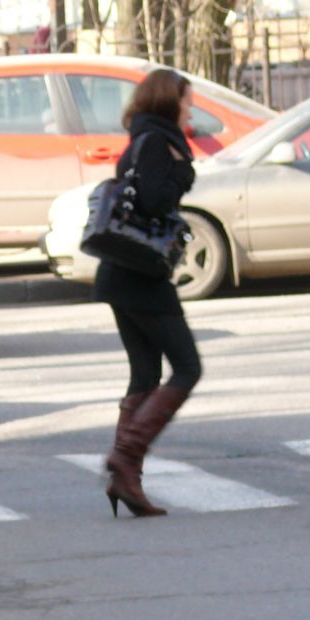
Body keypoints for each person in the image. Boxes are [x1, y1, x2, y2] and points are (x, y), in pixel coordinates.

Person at [99, 68, 203, 518]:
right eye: (187, 100)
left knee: (144, 375)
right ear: (169, 102)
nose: (190, 107)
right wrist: (185, 172)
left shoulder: (146, 138)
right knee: (186, 367)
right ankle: (125, 458)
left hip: (122, 272)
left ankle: (126, 479)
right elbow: (156, 200)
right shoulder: (160, 144)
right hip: (141, 276)